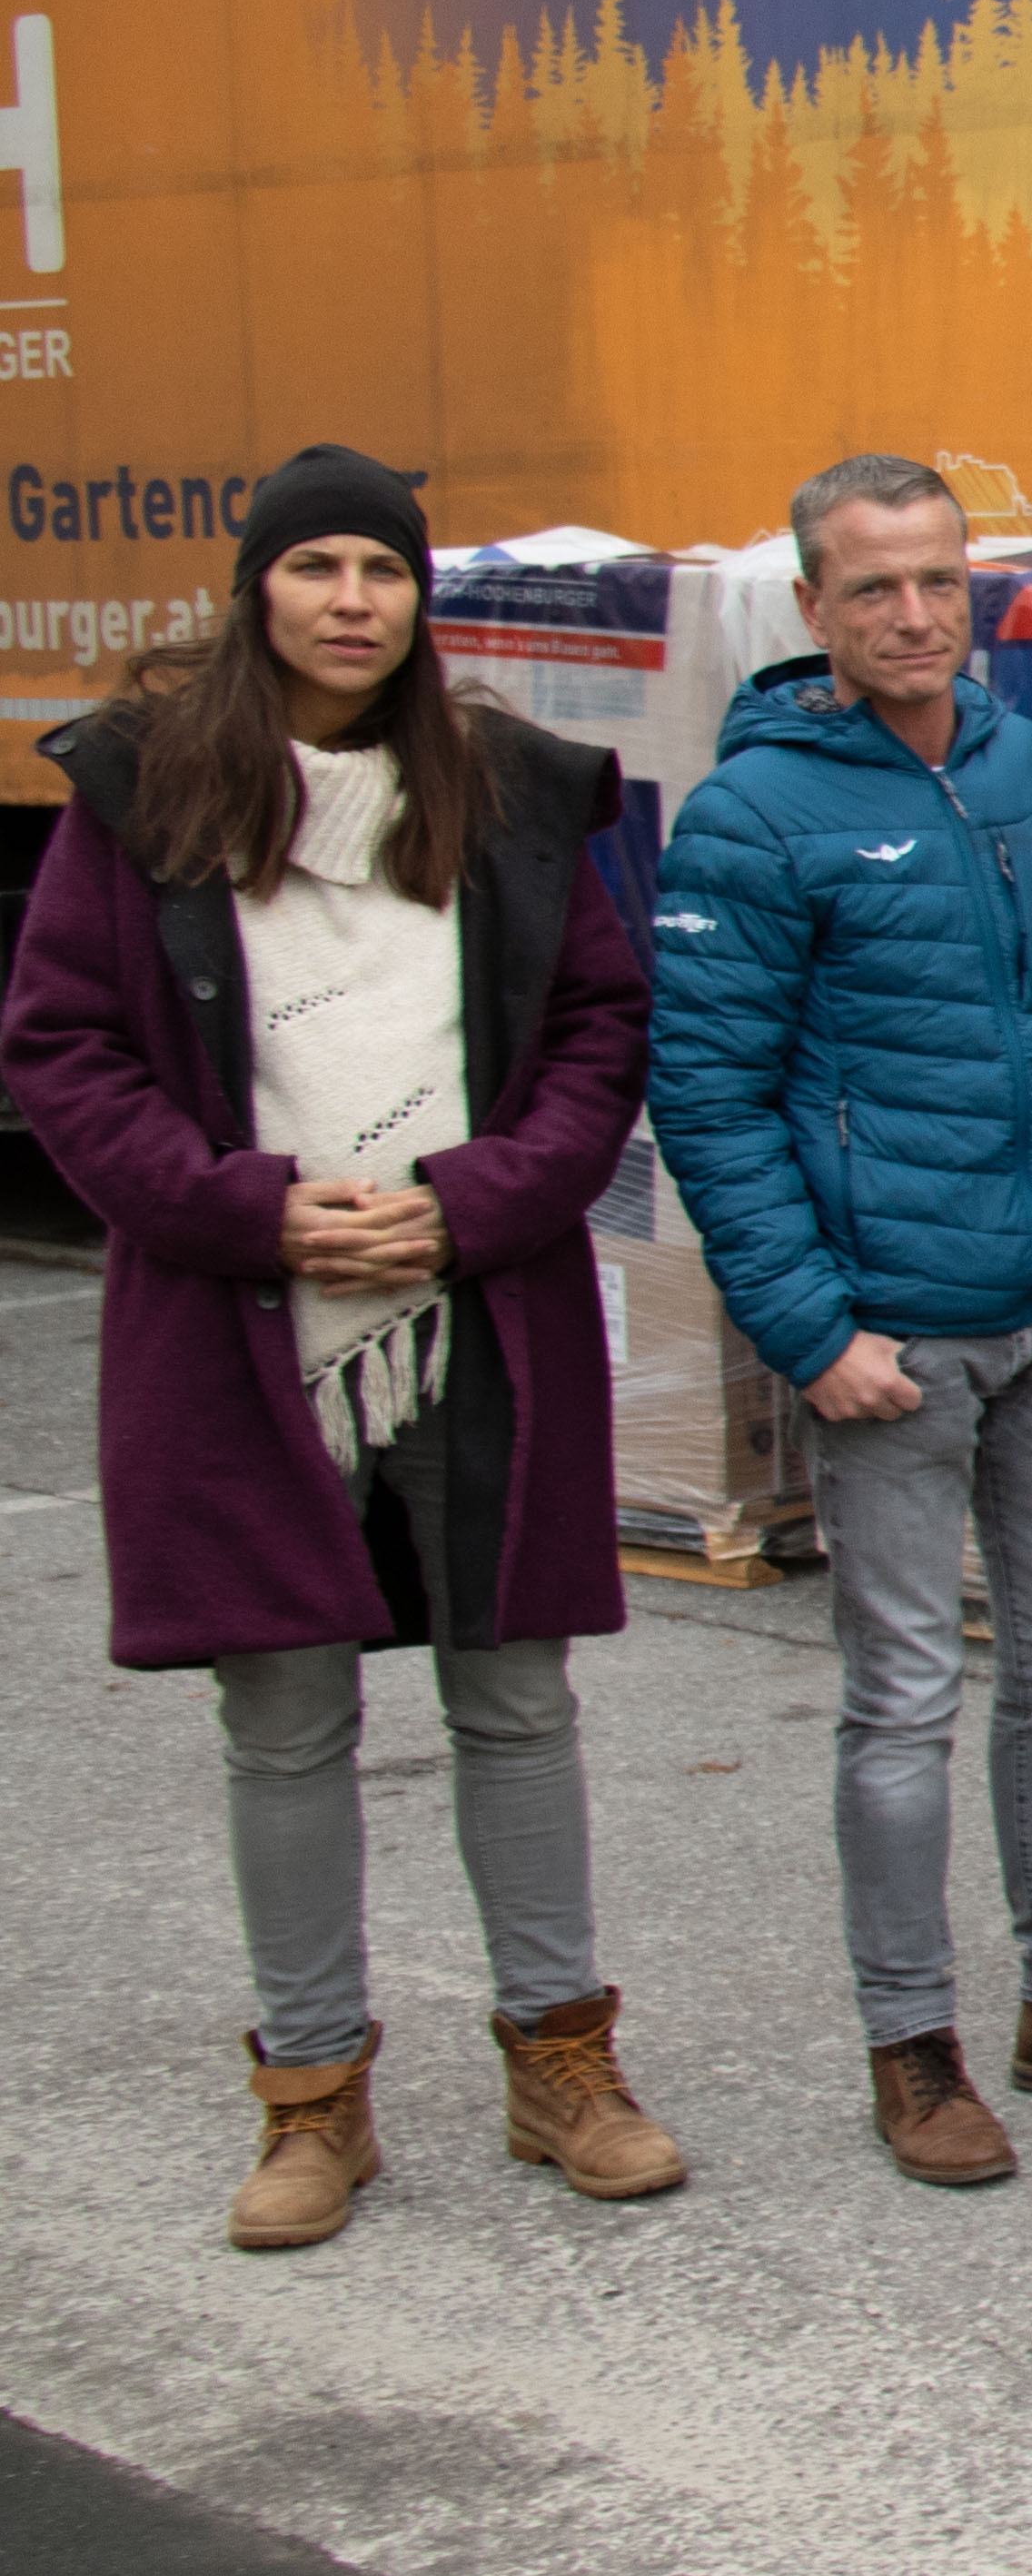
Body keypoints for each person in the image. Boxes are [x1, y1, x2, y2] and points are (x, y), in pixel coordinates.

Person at [4, 446, 687, 2248]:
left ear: (414, 598)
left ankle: (564, 2067)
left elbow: (601, 1032)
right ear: (260, 591)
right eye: (314, 567)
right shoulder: (143, 796)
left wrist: (479, 1199)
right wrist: (250, 1207)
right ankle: (314, 2097)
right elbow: (63, 1049)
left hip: (479, 1310)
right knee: (290, 1712)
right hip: (250, 1322)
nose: (352, 600)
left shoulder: (512, 792)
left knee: (514, 1698)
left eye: (379, 570)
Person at [650, 454, 1032, 2189]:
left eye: (936, 581)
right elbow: (710, 1096)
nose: (913, 616)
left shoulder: (1031, 770)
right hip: (884, 1341)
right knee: (902, 1695)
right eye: (872, 589)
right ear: (812, 611)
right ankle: (908, 2045)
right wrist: (806, 1326)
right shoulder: (757, 818)